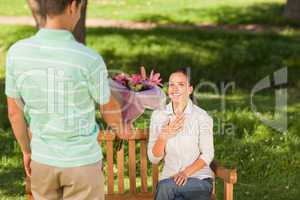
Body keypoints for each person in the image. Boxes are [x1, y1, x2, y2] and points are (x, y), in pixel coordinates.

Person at [5, 0, 124, 199]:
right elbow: (109, 107)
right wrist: (121, 129)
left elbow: (14, 112)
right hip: (82, 163)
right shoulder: (88, 59)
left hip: (42, 161)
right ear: (72, 5)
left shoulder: (17, 53)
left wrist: (27, 151)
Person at [147, 68, 214, 200]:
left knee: (165, 188)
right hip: (170, 181)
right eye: (172, 84)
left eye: (181, 85)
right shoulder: (158, 116)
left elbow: (208, 154)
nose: (175, 88)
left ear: (190, 89)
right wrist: (163, 136)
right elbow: (153, 158)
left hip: (198, 181)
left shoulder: (201, 116)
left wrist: (185, 173)